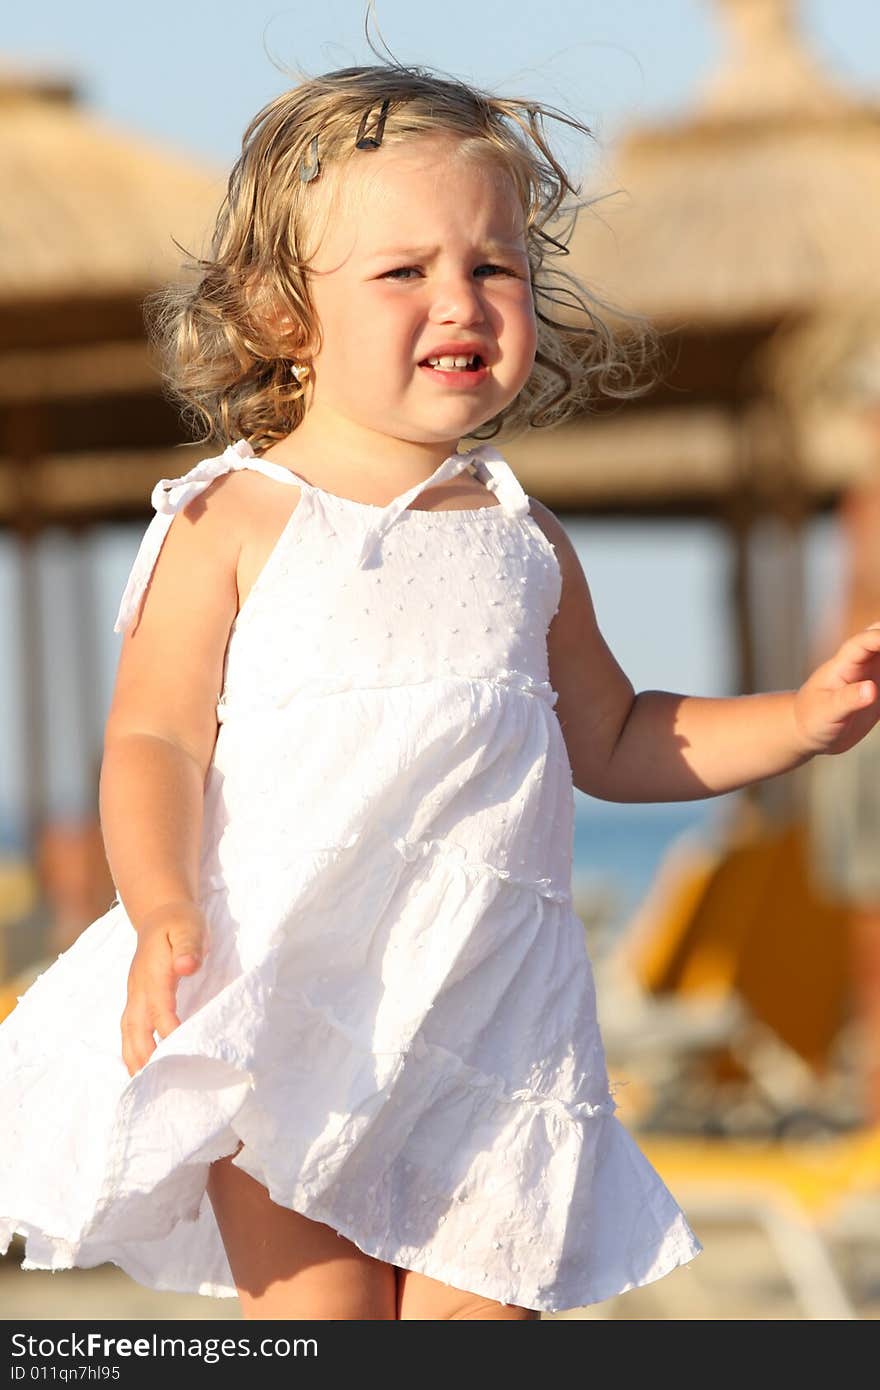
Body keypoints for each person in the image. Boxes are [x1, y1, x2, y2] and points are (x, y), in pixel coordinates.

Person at [2, 61, 879, 1323]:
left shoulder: (524, 539)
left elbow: (621, 735)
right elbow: (151, 740)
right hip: (297, 1000)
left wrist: (796, 720)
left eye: (494, 267)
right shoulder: (239, 518)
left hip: (496, 1028)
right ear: (280, 311)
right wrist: (160, 909)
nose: (459, 299)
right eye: (402, 271)